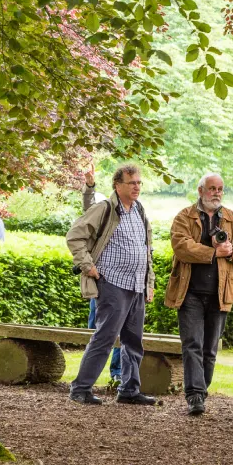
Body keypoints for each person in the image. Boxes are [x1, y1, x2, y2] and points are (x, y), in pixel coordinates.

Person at [66, 164, 156, 406]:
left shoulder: (139, 210)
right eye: (131, 183)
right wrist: (87, 265)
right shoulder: (105, 208)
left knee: (133, 341)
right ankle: (80, 389)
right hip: (112, 283)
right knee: (105, 338)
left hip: (136, 285)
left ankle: (129, 390)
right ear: (118, 185)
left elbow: (146, 250)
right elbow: (75, 235)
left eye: (139, 182)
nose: (136, 186)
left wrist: (149, 282)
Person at [165, 173, 233, 415]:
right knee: (192, 344)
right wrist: (213, 252)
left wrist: (231, 250)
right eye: (212, 188)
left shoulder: (232, 218)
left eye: (220, 189)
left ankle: (201, 392)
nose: (216, 193)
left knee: (210, 349)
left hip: (220, 293)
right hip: (190, 292)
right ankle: (194, 395)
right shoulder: (185, 216)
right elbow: (181, 247)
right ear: (201, 190)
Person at [81, 167, 121, 385]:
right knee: (98, 330)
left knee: (120, 330)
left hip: (123, 283)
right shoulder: (104, 211)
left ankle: (117, 373)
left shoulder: (135, 214)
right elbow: (88, 210)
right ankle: (89, 375)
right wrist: (89, 187)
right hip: (103, 281)